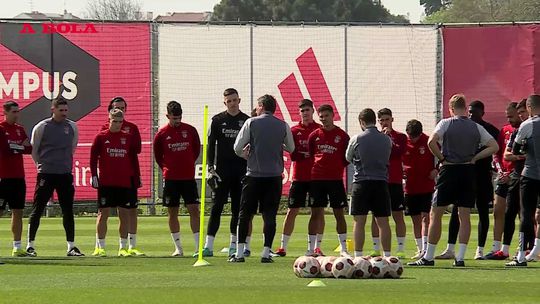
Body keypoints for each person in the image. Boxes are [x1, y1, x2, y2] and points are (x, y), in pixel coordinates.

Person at [408, 94, 498, 267]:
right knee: (464, 215)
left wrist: (442, 158)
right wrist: (475, 158)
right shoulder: (475, 127)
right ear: (465, 108)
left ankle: (429, 256)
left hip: (449, 170)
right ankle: (461, 257)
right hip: (468, 170)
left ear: (450, 109)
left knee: (436, 213)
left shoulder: (445, 123)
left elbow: (431, 142)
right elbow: (494, 146)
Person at [229, 94, 294, 263]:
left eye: (257, 107)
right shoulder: (282, 125)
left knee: (245, 215)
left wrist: (245, 155)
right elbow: (291, 147)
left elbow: (237, 147)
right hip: (273, 178)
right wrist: (278, 144)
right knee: (270, 215)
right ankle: (266, 253)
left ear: (261, 106)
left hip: (254, 176)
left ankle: (240, 253)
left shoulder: (251, 122)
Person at [435, 100, 499, 260]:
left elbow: (496, 148)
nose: (471, 115)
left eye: (474, 112)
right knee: (458, 211)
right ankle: (450, 248)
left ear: (482, 113)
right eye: (469, 111)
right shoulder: (465, 127)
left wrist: (478, 159)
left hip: (482, 175)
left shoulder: (487, 129)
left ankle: (480, 249)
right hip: (464, 173)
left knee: (483, 212)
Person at [28, 97, 84, 257]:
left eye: (66, 110)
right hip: (46, 173)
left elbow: (72, 147)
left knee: (67, 210)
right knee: (38, 209)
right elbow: (35, 150)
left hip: (64, 174)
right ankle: (30, 245)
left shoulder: (72, 127)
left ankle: (71, 247)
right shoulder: (42, 127)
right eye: (61, 110)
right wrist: (43, 165)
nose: (64, 113)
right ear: (53, 110)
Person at [202, 88, 251, 257]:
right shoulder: (217, 120)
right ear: (225, 103)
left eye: (234, 100)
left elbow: (251, 145)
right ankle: (208, 245)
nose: (232, 103)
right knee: (217, 207)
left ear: (239, 100)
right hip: (222, 171)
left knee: (238, 209)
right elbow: (210, 145)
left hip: (240, 171)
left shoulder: (246, 121)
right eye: (229, 101)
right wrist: (210, 167)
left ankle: (233, 244)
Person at [274, 99, 323, 257]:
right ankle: (283, 247)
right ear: (299, 113)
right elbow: (292, 153)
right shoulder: (294, 130)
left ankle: (313, 248)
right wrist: (301, 154)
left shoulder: (320, 129)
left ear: (312, 111)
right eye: (302, 111)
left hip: (316, 178)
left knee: (317, 211)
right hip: (299, 177)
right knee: (292, 211)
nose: (305, 113)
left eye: (308, 110)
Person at [154, 101, 201, 257]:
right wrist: (168, 169)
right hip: (171, 179)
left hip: (188, 178)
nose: (177, 121)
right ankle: (178, 248)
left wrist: (187, 165)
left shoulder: (190, 130)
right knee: (172, 212)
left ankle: (198, 247)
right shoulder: (161, 134)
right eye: (174, 118)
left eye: (179, 118)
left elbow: (195, 151)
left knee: (194, 210)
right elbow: (158, 157)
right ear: (168, 116)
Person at [90, 109, 138, 257]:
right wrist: (94, 175)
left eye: (120, 122)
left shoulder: (128, 137)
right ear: (109, 120)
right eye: (114, 121)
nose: (117, 124)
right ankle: (100, 247)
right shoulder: (101, 137)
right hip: (106, 182)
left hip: (123, 181)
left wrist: (135, 177)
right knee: (103, 213)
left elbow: (133, 159)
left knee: (123, 214)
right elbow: (93, 158)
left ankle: (122, 247)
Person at [346, 108, 392, 258]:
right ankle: (387, 256)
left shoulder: (357, 138)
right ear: (375, 120)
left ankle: (358, 256)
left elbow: (348, 157)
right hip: (380, 182)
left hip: (361, 183)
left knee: (359, 221)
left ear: (361, 122)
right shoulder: (387, 139)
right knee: (383, 222)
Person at [101, 97, 144, 256]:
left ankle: (131, 245)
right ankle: (101, 246)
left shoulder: (132, 128)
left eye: (122, 108)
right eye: (116, 107)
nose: (120, 110)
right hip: (110, 177)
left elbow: (137, 149)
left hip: (131, 173)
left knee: (131, 209)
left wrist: (126, 138)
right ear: (110, 111)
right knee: (106, 211)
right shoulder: (105, 129)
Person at [307, 104, 350, 257]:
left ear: (333, 116)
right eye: (321, 116)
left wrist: (337, 167)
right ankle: (312, 249)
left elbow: (347, 158)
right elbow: (311, 155)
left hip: (335, 180)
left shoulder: (343, 136)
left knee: (339, 213)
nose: (324, 119)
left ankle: (344, 249)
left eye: (326, 116)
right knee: (316, 213)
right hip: (317, 179)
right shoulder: (314, 135)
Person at [484, 102, 521, 259]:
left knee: (520, 213)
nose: (509, 119)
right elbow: (496, 154)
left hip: (517, 175)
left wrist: (511, 173)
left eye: (511, 116)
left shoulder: (524, 129)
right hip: (503, 175)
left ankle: (523, 247)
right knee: (498, 211)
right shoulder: (504, 130)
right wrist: (500, 171)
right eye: (508, 116)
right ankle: (496, 247)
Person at [507, 94, 540, 266]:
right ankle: (535, 250)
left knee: (526, 213)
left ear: (529, 107)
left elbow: (517, 149)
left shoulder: (527, 125)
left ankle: (520, 255)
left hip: (531, 173)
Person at [370, 108, 407, 258]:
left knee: (398, 215)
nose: (384, 123)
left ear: (392, 119)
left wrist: (388, 140)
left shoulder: (400, 137)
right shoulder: (374, 137)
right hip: (379, 180)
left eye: (387, 119)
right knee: (376, 216)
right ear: (378, 122)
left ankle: (400, 248)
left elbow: (399, 152)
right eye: (382, 120)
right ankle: (375, 247)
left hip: (395, 181)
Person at [0, 101, 32, 258]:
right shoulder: (1, 129)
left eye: (18, 111)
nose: (17, 114)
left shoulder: (20, 129)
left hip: (18, 177)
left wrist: (16, 148)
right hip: (2, 177)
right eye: (14, 112)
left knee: (18, 212)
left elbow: (29, 148)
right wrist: (18, 148)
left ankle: (17, 247)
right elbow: (5, 150)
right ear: (5, 112)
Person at [402, 119, 436, 259]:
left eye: (415, 136)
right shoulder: (404, 142)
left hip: (426, 185)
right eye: (411, 136)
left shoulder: (429, 141)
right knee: (415, 219)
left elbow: (441, 156)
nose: (413, 139)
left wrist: (436, 169)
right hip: (410, 187)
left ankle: (426, 248)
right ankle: (419, 248)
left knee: (425, 218)